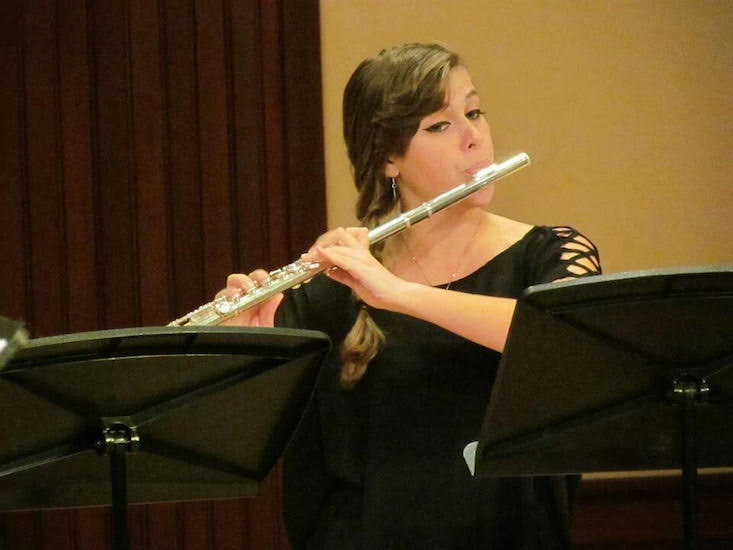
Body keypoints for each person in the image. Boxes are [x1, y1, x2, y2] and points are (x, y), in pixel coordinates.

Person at [219, 42, 601, 549]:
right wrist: (249, 351)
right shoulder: (331, 290)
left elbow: (561, 340)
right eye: (439, 126)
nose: (473, 138)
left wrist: (400, 294)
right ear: (388, 160)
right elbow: (256, 447)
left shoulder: (551, 253)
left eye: (474, 112)